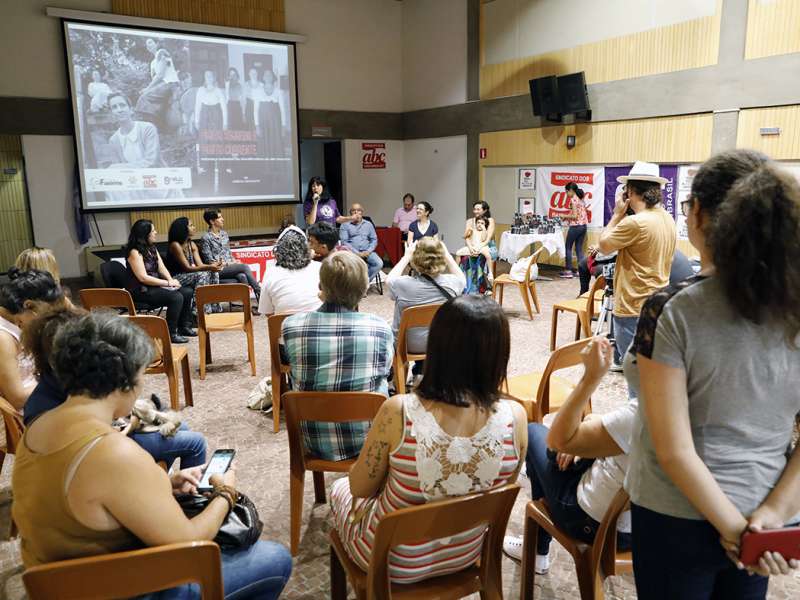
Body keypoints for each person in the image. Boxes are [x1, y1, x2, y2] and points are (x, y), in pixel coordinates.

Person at [12, 311, 292, 598]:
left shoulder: (37, 427)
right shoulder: (113, 452)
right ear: (125, 379)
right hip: (126, 588)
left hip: (63, 585)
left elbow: (85, 502)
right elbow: (189, 542)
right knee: (275, 558)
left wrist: (164, 486)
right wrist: (225, 494)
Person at [624, 150, 800, 600]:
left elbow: (675, 451)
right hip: (763, 511)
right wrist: (769, 519)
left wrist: (734, 530)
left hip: (676, 514)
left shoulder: (673, 309)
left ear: (698, 212)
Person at [329, 295, 528, 584]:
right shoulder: (517, 417)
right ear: (500, 354)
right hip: (466, 553)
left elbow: (360, 486)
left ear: (436, 347)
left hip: (390, 562)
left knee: (340, 488)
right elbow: (498, 491)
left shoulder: (399, 411)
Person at [502, 336, 635, 574]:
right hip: (643, 528)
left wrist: (591, 378)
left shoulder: (642, 417)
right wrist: (587, 426)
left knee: (535, 433)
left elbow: (558, 438)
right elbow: (610, 432)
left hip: (591, 523)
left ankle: (538, 550)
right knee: (562, 452)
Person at [21, 306, 207, 470]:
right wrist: (225, 494)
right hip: (110, 452)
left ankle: (160, 470)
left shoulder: (64, 386)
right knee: (195, 442)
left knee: (181, 428)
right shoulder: (100, 443)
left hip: (107, 449)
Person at [282, 251, 393, 462]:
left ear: (321, 287)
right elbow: (385, 371)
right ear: (362, 290)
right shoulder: (379, 327)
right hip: (371, 440)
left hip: (312, 438)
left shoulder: (292, 325)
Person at [597, 161, 676, 368]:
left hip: (632, 306)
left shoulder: (635, 222)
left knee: (635, 376)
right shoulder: (667, 218)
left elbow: (603, 245)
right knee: (650, 372)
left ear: (630, 191)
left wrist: (616, 215)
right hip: (658, 303)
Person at [386, 238, 466, 378]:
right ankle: (423, 370)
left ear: (415, 259)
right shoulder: (452, 283)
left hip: (406, 345)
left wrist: (406, 257)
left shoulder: (402, 285)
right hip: (439, 344)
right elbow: (462, 279)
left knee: (386, 327)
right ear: (441, 258)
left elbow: (389, 279)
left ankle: (400, 379)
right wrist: (447, 254)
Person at [0, 269, 65, 409]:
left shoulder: (17, 323)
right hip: (31, 410)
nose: (44, 322)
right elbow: (17, 399)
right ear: (28, 305)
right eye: (44, 315)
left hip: (39, 399)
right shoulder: (3, 338)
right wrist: (61, 382)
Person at [125, 219, 195, 344]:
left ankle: (184, 326)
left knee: (187, 292)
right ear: (144, 234)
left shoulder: (151, 248)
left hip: (154, 286)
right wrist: (167, 284)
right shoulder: (134, 252)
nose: (156, 232)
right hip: (141, 290)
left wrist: (170, 280)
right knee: (176, 297)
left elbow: (161, 268)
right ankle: (170, 332)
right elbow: (143, 278)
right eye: (153, 231)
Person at [258, 226, 322, 315]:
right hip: (317, 327)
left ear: (278, 250)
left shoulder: (271, 272)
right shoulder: (320, 268)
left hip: (283, 327)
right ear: (306, 249)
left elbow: (268, 313)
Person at [200, 208, 262, 299]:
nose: (223, 219)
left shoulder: (224, 234)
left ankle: (248, 307)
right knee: (244, 267)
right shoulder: (206, 238)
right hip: (217, 270)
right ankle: (260, 292)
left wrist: (234, 260)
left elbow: (228, 253)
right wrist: (231, 263)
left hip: (229, 268)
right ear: (212, 221)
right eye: (220, 217)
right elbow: (210, 262)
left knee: (242, 276)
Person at [166, 217, 223, 314]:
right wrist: (210, 267)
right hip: (176, 277)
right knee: (203, 274)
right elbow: (187, 268)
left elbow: (200, 265)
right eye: (191, 225)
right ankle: (198, 312)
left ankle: (214, 307)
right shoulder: (175, 245)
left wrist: (213, 266)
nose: (194, 227)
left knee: (213, 273)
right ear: (183, 229)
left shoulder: (191, 244)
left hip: (190, 275)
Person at [338, 203, 383, 282]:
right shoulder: (345, 225)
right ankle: (356, 285)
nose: (356, 212)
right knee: (350, 267)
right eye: (353, 211)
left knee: (378, 263)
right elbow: (344, 242)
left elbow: (374, 239)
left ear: (362, 212)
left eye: (358, 210)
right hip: (351, 252)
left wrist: (368, 251)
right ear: (350, 213)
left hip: (367, 251)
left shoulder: (368, 224)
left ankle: (363, 283)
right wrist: (357, 253)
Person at [456, 216, 494, 282]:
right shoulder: (472, 230)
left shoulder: (485, 231)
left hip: (482, 247)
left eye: (482, 223)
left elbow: (483, 239)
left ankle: (490, 272)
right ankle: (456, 269)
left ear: (485, 225)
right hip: (472, 247)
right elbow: (465, 237)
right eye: (478, 222)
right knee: (458, 253)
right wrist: (468, 231)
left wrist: (484, 229)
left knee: (488, 255)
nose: (480, 224)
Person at [562, 184, 589, 279]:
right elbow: (579, 213)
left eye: (566, 191)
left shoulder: (573, 200)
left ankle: (568, 270)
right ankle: (580, 271)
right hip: (583, 226)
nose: (566, 194)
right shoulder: (581, 199)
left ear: (571, 190)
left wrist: (563, 216)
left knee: (568, 247)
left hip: (575, 227)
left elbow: (574, 216)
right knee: (578, 248)